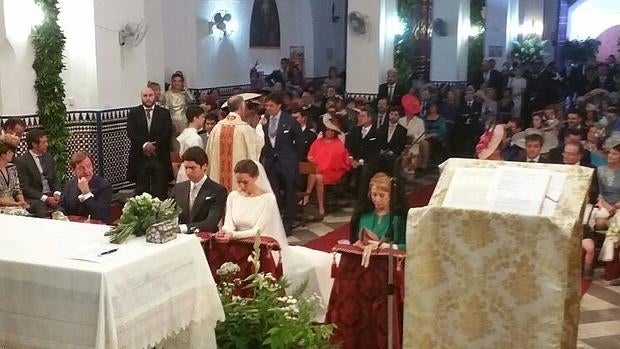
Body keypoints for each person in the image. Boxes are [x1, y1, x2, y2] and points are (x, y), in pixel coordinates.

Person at [216, 159, 334, 320]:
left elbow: (258, 230)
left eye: (246, 182)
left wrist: (233, 235)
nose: (242, 186)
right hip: (237, 245)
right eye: (239, 182)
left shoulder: (268, 199)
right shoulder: (233, 196)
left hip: (261, 246)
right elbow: (229, 224)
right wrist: (225, 232)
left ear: (256, 177)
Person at [261, 93, 304, 235]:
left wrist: (294, 159)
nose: (268, 108)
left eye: (271, 106)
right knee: (274, 193)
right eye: (266, 106)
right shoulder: (265, 120)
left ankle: (288, 223)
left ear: (279, 106)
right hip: (271, 162)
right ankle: (276, 221)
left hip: (287, 162)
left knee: (290, 192)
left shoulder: (290, 120)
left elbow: (299, 143)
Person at [206, 93, 264, 191]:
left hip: (217, 182)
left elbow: (208, 154)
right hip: (238, 185)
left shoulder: (217, 128)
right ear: (242, 107)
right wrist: (259, 127)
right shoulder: (244, 129)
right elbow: (258, 147)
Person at [349, 172, 407, 266]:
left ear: (390, 196)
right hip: (362, 264)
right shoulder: (363, 217)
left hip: (387, 266)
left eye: (382, 195)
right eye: (374, 195)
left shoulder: (396, 219)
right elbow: (355, 241)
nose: (377, 199)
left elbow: (407, 247)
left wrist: (387, 246)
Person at [126, 87, 173, 200]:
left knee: (161, 189)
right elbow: (131, 132)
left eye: (150, 95)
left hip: (159, 156)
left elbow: (167, 132)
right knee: (142, 190)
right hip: (140, 156)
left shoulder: (164, 113)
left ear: (155, 96)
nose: (148, 98)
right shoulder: (134, 113)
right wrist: (145, 145)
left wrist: (154, 146)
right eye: (145, 96)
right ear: (141, 97)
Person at [304, 115, 351, 219]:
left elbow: (335, 160)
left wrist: (321, 167)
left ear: (335, 133)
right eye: (328, 130)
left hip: (331, 171)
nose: (329, 132)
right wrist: (310, 158)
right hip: (317, 170)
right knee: (317, 176)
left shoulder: (338, 144)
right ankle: (320, 207)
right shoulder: (318, 141)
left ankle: (307, 196)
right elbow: (310, 154)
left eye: (332, 131)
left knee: (316, 174)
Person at [172, 147, 227, 234]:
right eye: (186, 168)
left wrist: (182, 228)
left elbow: (211, 223)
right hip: (180, 239)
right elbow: (169, 213)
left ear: (205, 167)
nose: (188, 172)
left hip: (205, 240)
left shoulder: (218, 191)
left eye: (192, 168)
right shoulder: (178, 188)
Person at [14, 129, 61, 217]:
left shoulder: (48, 157)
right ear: (34, 144)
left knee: (67, 201)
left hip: (51, 194)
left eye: (47, 141)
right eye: (44, 142)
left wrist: (57, 193)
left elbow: (55, 179)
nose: (47, 144)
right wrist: (45, 198)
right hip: (35, 197)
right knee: (39, 206)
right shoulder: (22, 161)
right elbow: (25, 187)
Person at [60, 151, 112, 224]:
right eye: (81, 168)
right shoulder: (69, 185)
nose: (86, 171)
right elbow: (62, 207)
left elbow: (99, 214)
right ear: (74, 171)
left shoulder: (104, 186)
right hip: (74, 226)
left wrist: (86, 193)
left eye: (88, 166)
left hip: (98, 227)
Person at [176, 105, 206, 183]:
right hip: (192, 172)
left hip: (184, 170)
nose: (204, 119)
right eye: (202, 117)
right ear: (195, 118)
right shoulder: (194, 138)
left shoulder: (185, 133)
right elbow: (197, 158)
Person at [0, 140, 29, 210]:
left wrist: (22, 202)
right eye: (10, 152)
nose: (12, 154)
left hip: (14, 205)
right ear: (2, 154)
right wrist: (16, 204)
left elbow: (17, 189)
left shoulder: (12, 168)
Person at [164, 72, 193, 137]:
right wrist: (171, 123)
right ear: (172, 82)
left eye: (179, 81)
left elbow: (191, 101)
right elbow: (165, 111)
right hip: (172, 121)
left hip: (184, 121)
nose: (177, 83)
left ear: (182, 83)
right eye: (175, 81)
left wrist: (185, 89)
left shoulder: (184, 94)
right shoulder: (167, 94)